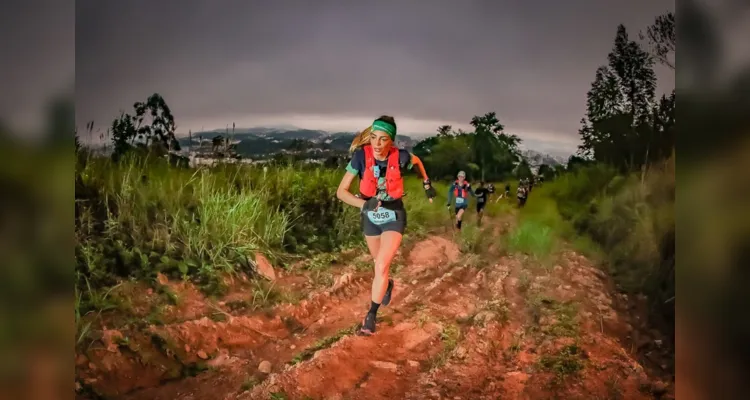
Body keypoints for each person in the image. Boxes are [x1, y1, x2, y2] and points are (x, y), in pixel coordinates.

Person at [336, 115, 431, 336]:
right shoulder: (361, 156)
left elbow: (418, 162)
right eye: (374, 138)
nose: (377, 144)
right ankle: (387, 285)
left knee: (380, 266)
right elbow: (341, 192)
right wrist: (363, 205)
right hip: (370, 217)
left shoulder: (402, 157)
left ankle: (371, 316)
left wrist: (426, 183)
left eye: (383, 139)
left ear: (392, 141)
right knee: (379, 265)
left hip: (393, 215)